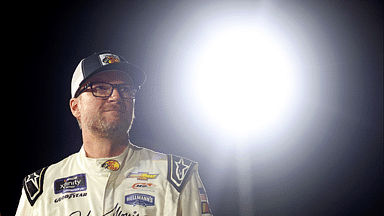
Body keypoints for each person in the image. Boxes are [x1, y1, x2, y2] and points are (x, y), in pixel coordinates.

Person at [16, 51, 212, 216]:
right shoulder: (42, 187)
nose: (116, 96)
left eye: (125, 89)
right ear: (75, 107)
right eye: (100, 88)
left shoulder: (177, 176)